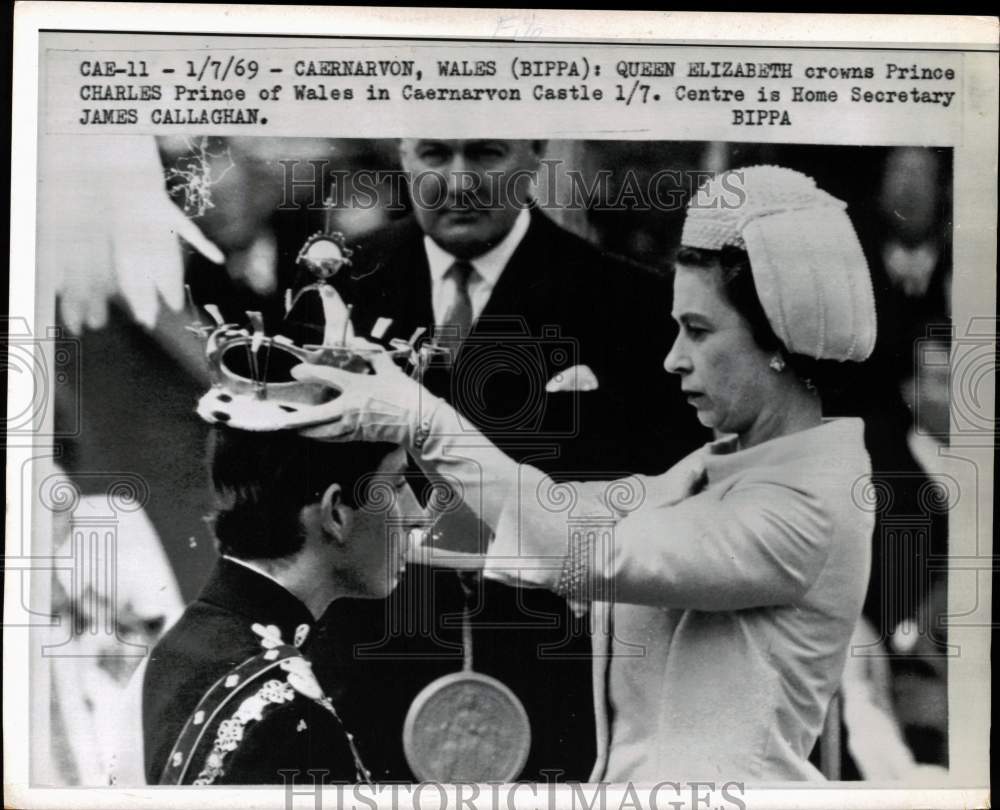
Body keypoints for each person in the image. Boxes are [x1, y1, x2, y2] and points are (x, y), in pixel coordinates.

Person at [285, 165, 880, 780]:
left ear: (779, 341)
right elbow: (557, 515)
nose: (674, 359)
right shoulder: (722, 466)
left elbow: (585, 549)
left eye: (699, 332)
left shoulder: (809, 499)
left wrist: (426, 422)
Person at [304, 139, 705, 781]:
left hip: (554, 684)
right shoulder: (337, 287)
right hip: (371, 673)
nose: (459, 182)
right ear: (403, 155)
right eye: (435, 154)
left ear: (536, 153)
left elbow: (666, 507)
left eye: (486, 154)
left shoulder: (626, 300)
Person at [140, 425, 419, 785]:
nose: (419, 515)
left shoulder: (176, 650)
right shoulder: (289, 721)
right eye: (396, 486)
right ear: (336, 513)